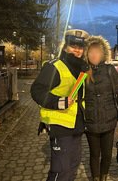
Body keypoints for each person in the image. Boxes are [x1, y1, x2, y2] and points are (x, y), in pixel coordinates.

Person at [31, 29, 90, 181]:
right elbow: (37, 91)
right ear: (65, 47)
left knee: (72, 168)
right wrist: (58, 102)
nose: (77, 50)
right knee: (60, 172)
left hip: (76, 125)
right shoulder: (54, 66)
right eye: (73, 46)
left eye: (80, 47)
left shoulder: (81, 68)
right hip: (60, 127)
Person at [83, 35, 118, 181]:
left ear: (103, 53)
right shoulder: (83, 72)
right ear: (87, 54)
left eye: (97, 51)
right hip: (90, 120)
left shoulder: (110, 70)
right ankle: (96, 178)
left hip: (109, 119)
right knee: (94, 154)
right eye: (91, 52)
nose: (94, 55)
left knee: (107, 154)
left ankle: (103, 177)